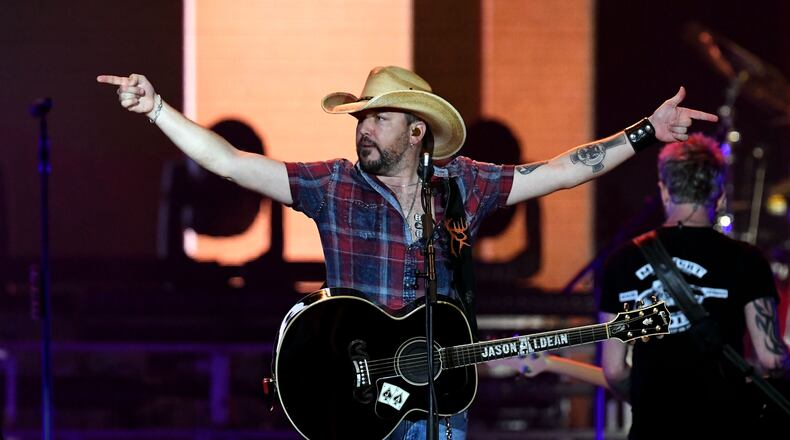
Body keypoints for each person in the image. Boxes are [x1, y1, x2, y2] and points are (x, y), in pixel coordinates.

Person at [97, 66, 717, 440]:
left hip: (435, 404)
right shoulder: (333, 186)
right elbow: (230, 163)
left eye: (379, 118)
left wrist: (645, 132)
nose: (363, 128)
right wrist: (156, 109)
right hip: (354, 405)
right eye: (360, 118)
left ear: (416, 130)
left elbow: (559, 171)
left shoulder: (462, 185)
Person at [599, 133, 790, 439]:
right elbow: (771, 359)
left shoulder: (622, 262)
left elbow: (615, 369)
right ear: (721, 194)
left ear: (664, 191)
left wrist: (647, 401)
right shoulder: (747, 260)